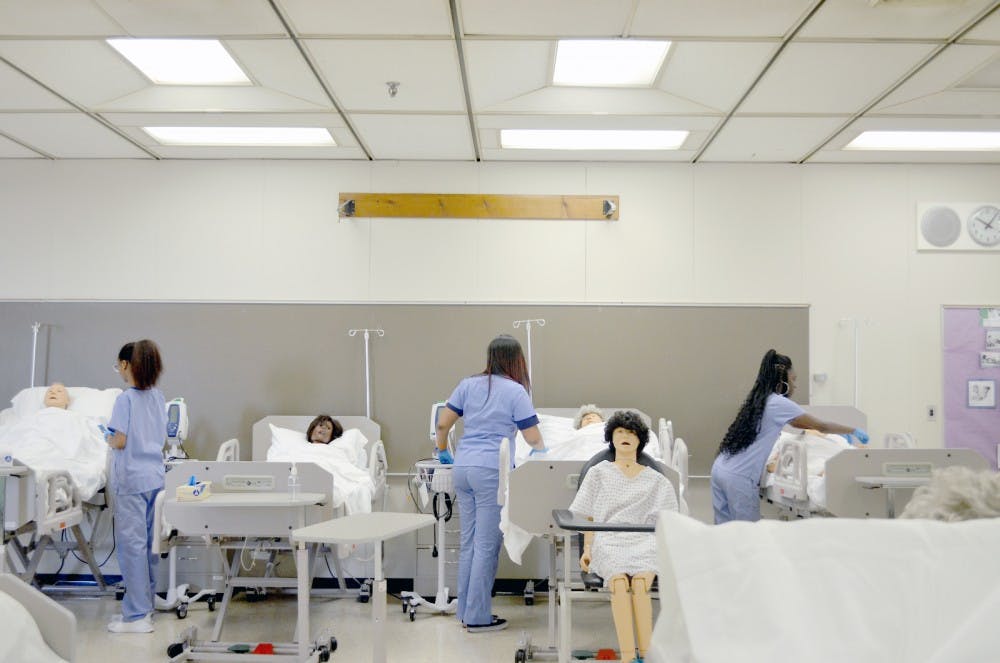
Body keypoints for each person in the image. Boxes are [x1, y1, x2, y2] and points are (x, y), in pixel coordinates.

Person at [434, 334, 545, 633]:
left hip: (463, 467)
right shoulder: (516, 391)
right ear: (517, 360)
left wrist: (443, 450)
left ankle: (466, 611)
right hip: (491, 470)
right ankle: (478, 616)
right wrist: (544, 453)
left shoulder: (467, 384)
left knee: (468, 542)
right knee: (486, 546)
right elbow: (532, 437)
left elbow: (443, 423)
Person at [569, 410, 679, 663]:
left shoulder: (656, 480)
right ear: (611, 438)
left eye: (631, 433)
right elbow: (588, 516)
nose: (626, 436)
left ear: (640, 440)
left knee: (640, 586)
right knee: (619, 585)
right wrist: (587, 549)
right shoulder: (598, 472)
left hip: (645, 541)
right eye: (620, 432)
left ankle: (647, 655)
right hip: (609, 540)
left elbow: (668, 521)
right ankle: (628, 658)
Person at [711, 349, 869, 524]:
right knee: (749, 536)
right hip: (739, 477)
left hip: (720, 469)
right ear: (782, 382)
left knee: (723, 533)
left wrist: (837, 437)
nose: (795, 385)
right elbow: (821, 426)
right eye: (793, 380)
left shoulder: (758, 400)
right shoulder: (779, 403)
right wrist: (852, 430)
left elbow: (798, 424)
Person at [106, 340, 167, 634]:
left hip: (130, 480)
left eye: (118, 365)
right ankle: (146, 606)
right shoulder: (158, 396)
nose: (118, 370)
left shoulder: (125, 399)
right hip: (155, 479)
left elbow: (119, 440)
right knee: (149, 546)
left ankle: (136, 616)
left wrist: (104, 437)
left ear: (127, 365)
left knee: (132, 548)